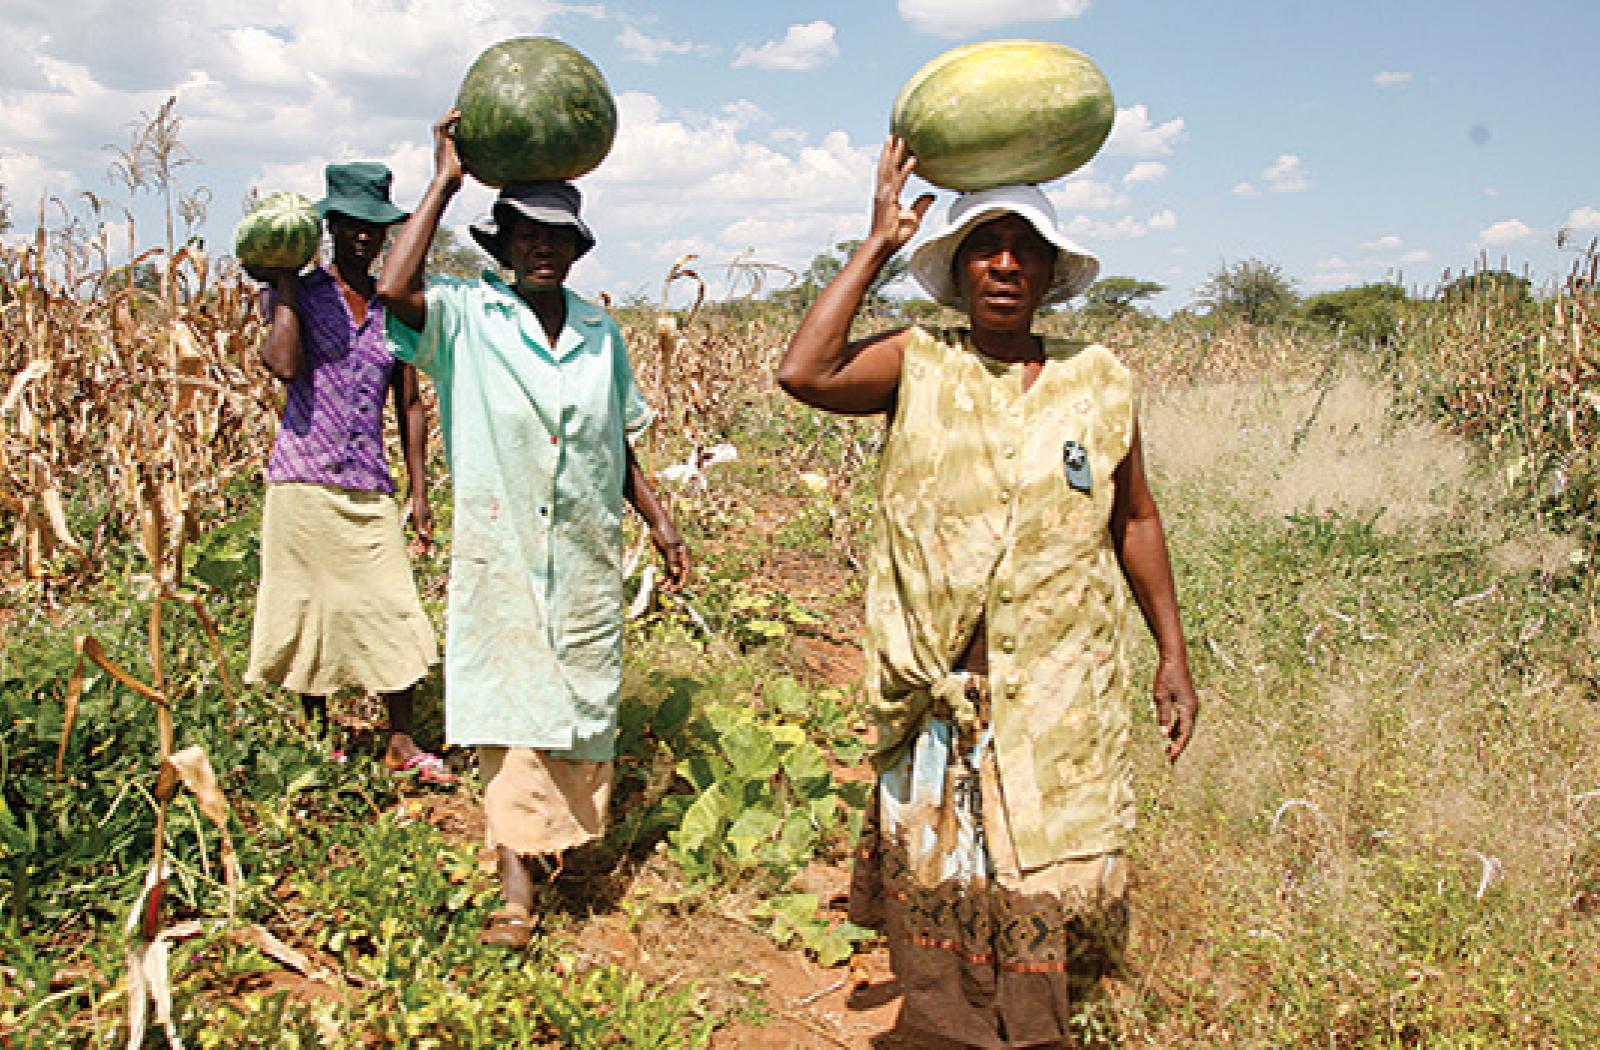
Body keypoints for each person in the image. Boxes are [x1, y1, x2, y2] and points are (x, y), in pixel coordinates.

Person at [777, 137, 1201, 1047]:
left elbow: (1135, 518)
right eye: (984, 247)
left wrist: (1173, 653)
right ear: (958, 269)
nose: (1005, 265)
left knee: (1039, 883)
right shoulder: (920, 362)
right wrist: (877, 242)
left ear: (1050, 273)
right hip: (942, 691)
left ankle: (1035, 1032)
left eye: (1025, 250)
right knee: (946, 901)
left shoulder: (1099, 381)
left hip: (1056, 692)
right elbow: (804, 373)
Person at [376, 112, 689, 948]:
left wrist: (660, 521)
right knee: (513, 709)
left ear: (578, 249)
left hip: (583, 551)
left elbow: (614, 440)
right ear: (504, 242)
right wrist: (444, 181)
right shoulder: (465, 315)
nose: (543, 247)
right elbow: (393, 291)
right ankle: (515, 887)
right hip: (503, 546)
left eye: (558, 235)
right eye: (527, 232)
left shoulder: (599, 331)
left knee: (580, 704)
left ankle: (552, 850)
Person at [245, 161, 454, 787]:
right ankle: (317, 736)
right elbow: (284, 366)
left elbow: (409, 403)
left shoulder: (394, 305)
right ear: (329, 227)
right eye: (350, 224)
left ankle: (401, 741)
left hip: (367, 482)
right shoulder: (299, 296)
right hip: (302, 479)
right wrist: (287, 283)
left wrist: (419, 492)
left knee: (391, 604)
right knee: (307, 607)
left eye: (374, 226)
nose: (363, 236)